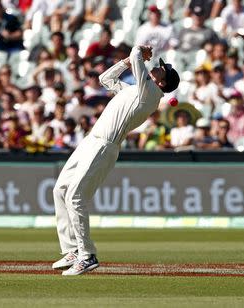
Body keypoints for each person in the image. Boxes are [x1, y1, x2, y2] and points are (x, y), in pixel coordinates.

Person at [52, 45, 179, 275]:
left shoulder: (149, 95)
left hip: (104, 146)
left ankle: (87, 255)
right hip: (91, 141)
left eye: (161, 70)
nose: (157, 68)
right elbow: (105, 78)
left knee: (75, 196)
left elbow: (136, 55)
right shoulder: (136, 90)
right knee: (60, 189)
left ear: (163, 82)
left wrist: (139, 52)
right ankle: (71, 249)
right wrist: (128, 62)